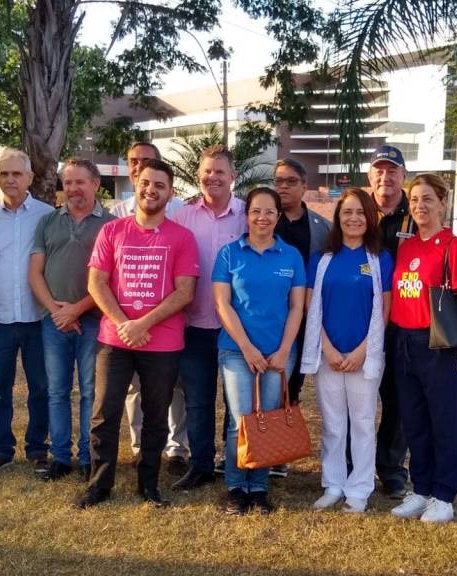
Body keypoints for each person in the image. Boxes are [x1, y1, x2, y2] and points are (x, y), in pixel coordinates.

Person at [82, 158, 199, 508]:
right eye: (146, 183)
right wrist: (124, 324)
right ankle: (99, 485)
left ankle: (148, 485)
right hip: (114, 340)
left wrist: (141, 324)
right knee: (104, 413)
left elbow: (185, 292)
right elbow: (97, 283)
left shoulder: (183, 237)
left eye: (160, 185)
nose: (151, 190)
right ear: (136, 184)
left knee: (155, 415)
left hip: (162, 343)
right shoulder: (112, 231)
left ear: (170, 193)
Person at [388, 173, 457, 524]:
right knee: (414, 422)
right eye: (414, 200)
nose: (419, 206)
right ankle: (421, 489)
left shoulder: (453, 246)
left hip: (438, 345)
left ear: (442, 203)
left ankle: (443, 495)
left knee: (444, 422)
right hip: (404, 342)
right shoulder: (407, 246)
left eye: (427, 199)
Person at [212, 187, 306, 515]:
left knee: (268, 418)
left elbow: (297, 307)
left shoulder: (291, 256)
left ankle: (259, 487)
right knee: (241, 420)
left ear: (278, 217)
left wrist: (284, 350)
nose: (262, 217)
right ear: (247, 215)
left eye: (269, 212)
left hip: (279, 353)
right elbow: (223, 304)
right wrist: (247, 348)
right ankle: (236, 487)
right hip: (237, 351)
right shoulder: (229, 254)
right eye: (256, 211)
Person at [301, 188, 393, 514]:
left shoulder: (379, 259)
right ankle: (334, 483)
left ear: (370, 218)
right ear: (338, 218)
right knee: (333, 423)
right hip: (328, 355)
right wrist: (326, 347)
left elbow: (384, 310)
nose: (354, 218)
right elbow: (311, 307)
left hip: (363, 356)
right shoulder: (322, 258)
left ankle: (359, 488)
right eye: (347, 212)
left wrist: (361, 351)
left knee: (363, 423)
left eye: (360, 212)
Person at [0, 148, 54, 474]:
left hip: (38, 319)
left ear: (30, 177)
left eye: (17, 174)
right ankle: (1, 448)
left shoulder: (47, 216)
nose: (10, 179)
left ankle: (38, 448)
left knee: (41, 388)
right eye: (4, 174)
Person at [29, 158, 114, 481]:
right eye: (68, 182)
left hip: (94, 320)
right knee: (57, 390)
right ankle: (61, 457)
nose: (73, 188)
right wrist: (57, 311)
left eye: (80, 182)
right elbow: (35, 273)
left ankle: (88, 456)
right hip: (54, 322)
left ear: (95, 184)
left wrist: (76, 310)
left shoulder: (111, 225)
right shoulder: (48, 222)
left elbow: (112, 280)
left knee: (91, 391)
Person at [169, 144, 247, 491]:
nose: (212, 177)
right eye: (207, 171)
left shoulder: (247, 215)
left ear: (233, 176)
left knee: (235, 404)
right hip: (194, 326)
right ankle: (200, 465)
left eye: (220, 171)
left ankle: (234, 464)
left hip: (237, 329)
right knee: (198, 402)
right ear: (198, 175)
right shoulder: (183, 217)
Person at [110, 141, 189, 473]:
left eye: (145, 161)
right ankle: (139, 446)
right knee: (133, 390)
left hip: (168, 322)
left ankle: (176, 448)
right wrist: (127, 324)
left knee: (173, 387)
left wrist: (147, 322)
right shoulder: (117, 212)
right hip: (125, 326)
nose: (138, 165)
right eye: (133, 161)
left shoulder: (180, 210)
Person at [270, 157, 330, 479]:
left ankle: (278, 452)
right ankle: (245, 448)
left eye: (290, 181)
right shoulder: (263, 218)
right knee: (256, 384)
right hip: (264, 317)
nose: (283, 187)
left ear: (304, 186)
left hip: (303, 319)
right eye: (278, 181)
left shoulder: (321, 227)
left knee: (290, 385)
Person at [368, 144, 413, 499]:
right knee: (357, 399)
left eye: (392, 170)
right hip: (359, 322)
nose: (386, 177)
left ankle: (391, 468)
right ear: (370, 175)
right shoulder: (355, 209)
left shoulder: (415, 213)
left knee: (398, 400)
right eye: (379, 170)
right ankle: (355, 464)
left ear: (403, 175)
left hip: (401, 324)